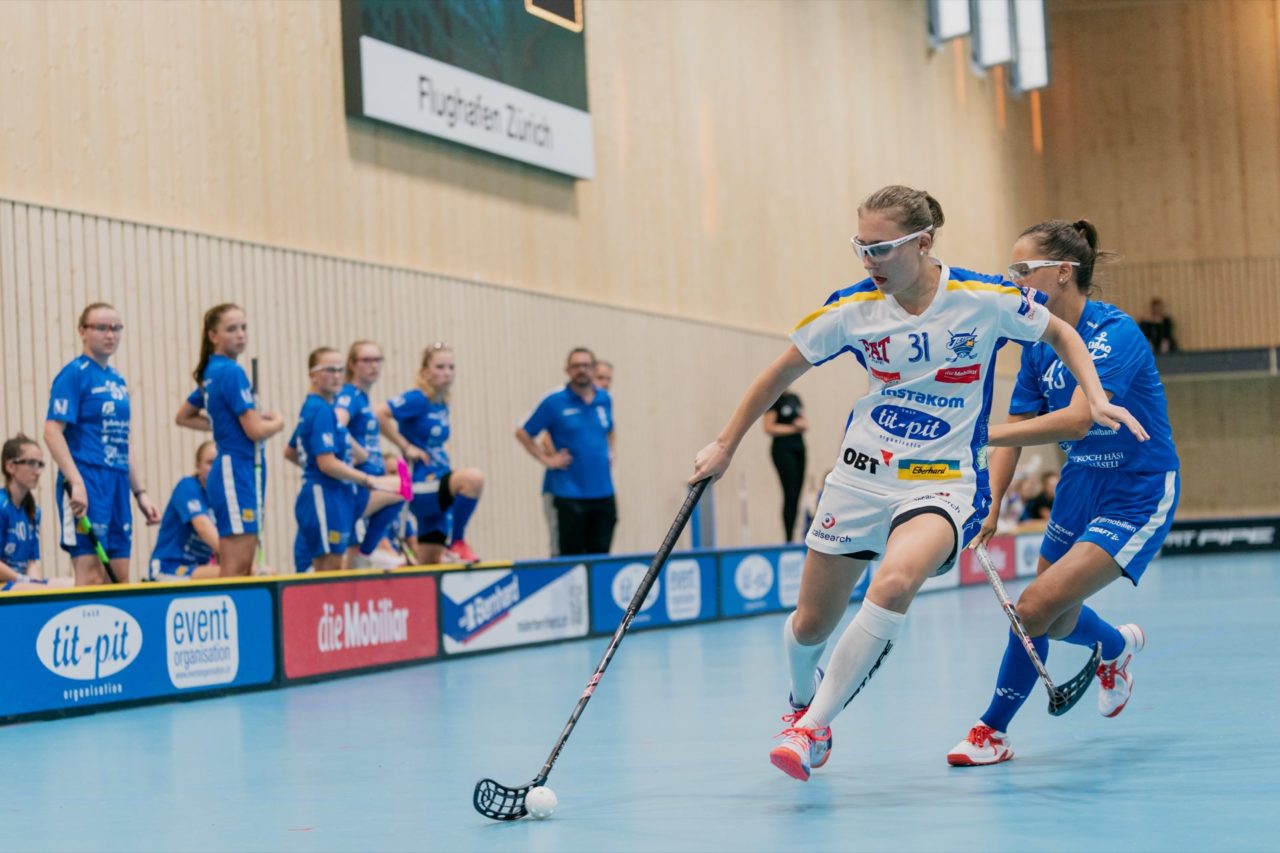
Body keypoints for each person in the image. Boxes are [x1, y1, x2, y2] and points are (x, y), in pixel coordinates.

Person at [687, 186, 1147, 782]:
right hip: (859, 477)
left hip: (943, 481)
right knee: (810, 625)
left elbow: (1061, 333)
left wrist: (1094, 393)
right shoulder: (851, 308)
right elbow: (780, 372)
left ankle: (811, 728)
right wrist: (726, 444)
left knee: (897, 579)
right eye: (861, 247)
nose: (868, 261)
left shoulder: (982, 298)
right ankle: (802, 700)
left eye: (880, 248)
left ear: (923, 241)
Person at [946, 219, 1179, 766]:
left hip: (1136, 488)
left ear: (1063, 273)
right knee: (1054, 615)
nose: (1014, 281)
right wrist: (993, 499)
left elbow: (1076, 421)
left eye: (1022, 271)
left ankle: (992, 732)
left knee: (1030, 608)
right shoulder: (1035, 346)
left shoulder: (1115, 332)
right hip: (1080, 485)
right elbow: (1018, 427)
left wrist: (975, 435)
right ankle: (1116, 648)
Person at [45, 303, 161, 585]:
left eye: (116, 328)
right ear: (82, 331)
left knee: (119, 577)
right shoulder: (74, 374)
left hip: (118, 485)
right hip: (89, 481)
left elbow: (123, 440)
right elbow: (52, 431)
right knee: (92, 576)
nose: (110, 335)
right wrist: (77, 482)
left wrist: (140, 493)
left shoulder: (118, 381)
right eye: (101, 328)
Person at [174, 303, 285, 577]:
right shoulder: (231, 372)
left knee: (246, 566)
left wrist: (223, 426)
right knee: (235, 567)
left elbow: (184, 417)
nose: (241, 335)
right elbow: (255, 431)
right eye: (232, 329)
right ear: (213, 335)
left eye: (244, 328)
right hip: (235, 469)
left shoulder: (214, 371)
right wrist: (278, 422)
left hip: (243, 468)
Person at [292, 348, 405, 572]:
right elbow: (326, 463)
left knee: (336, 568)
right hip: (324, 493)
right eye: (328, 370)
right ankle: (365, 552)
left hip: (338, 494)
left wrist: (361, 455)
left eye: (338, 370)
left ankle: (365, 552)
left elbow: (295, 449)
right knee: (329, 569)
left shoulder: (326, 409)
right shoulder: (321, 409)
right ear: (313, 375)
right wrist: (366, 478)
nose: (336, 375)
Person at [376, 343, 486, 564]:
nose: (447, 373)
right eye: (440, 367)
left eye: (451, 367)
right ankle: (457, 542)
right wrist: (405, 446)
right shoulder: (417, 399)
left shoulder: (442, 403)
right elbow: (379, 413)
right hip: (421, 482)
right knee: (473, 479)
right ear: (425, 371)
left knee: (428, 564)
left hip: (438, 485)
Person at [517, 347, 617, 557]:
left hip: (602, 491)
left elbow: (609, 428)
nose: (582, 370)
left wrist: (611, 452)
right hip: (568, 492)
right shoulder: (555, 401)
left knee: (601, 555)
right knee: (568, 556)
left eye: (586, 365)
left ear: (593, 368)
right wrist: (546, 459)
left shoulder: (604, 399)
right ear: (567, 370)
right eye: (576, 366)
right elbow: (524, 432)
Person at [336, 341, 403, 567]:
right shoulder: (350, 395)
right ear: (352, 365)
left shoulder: (364, 398)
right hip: (357, 484)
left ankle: (366, 551)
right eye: (366, 360)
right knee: (402, 486)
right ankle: (367, 552)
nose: (373, 366)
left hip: (368, 484)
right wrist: (360, 454)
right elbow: (336, 424)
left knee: (351, 559)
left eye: (377, 360)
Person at [148, 441, 221, 580]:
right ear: (198, 466)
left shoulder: (220, 498)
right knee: (234, 571)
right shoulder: (187, 487)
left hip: (197, 568)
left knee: (240, 571)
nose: (214, 468)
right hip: (169, 567)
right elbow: (203, 527)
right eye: (210, 462)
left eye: (218, 463)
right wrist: (237, 561)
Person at [764, 387, 808, 542]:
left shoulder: (795, 398)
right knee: (789, 493)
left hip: (799, 448)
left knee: (797, 494)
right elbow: (769, 427)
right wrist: (793, 428)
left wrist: (799, 426)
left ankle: (794, 535)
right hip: (783, 450)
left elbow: (804, 422)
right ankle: (788, 538)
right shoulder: (774, 400)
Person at [1, 434, 44, 587]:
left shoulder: (34, 512)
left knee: (75, 584)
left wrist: (37, 584)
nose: (38, 471)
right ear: (11, 466)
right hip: (8, 582)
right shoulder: (1, 506)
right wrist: (24, 581)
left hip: (19, 582)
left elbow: (31, 562)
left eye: (40, 464)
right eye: (31, 463)